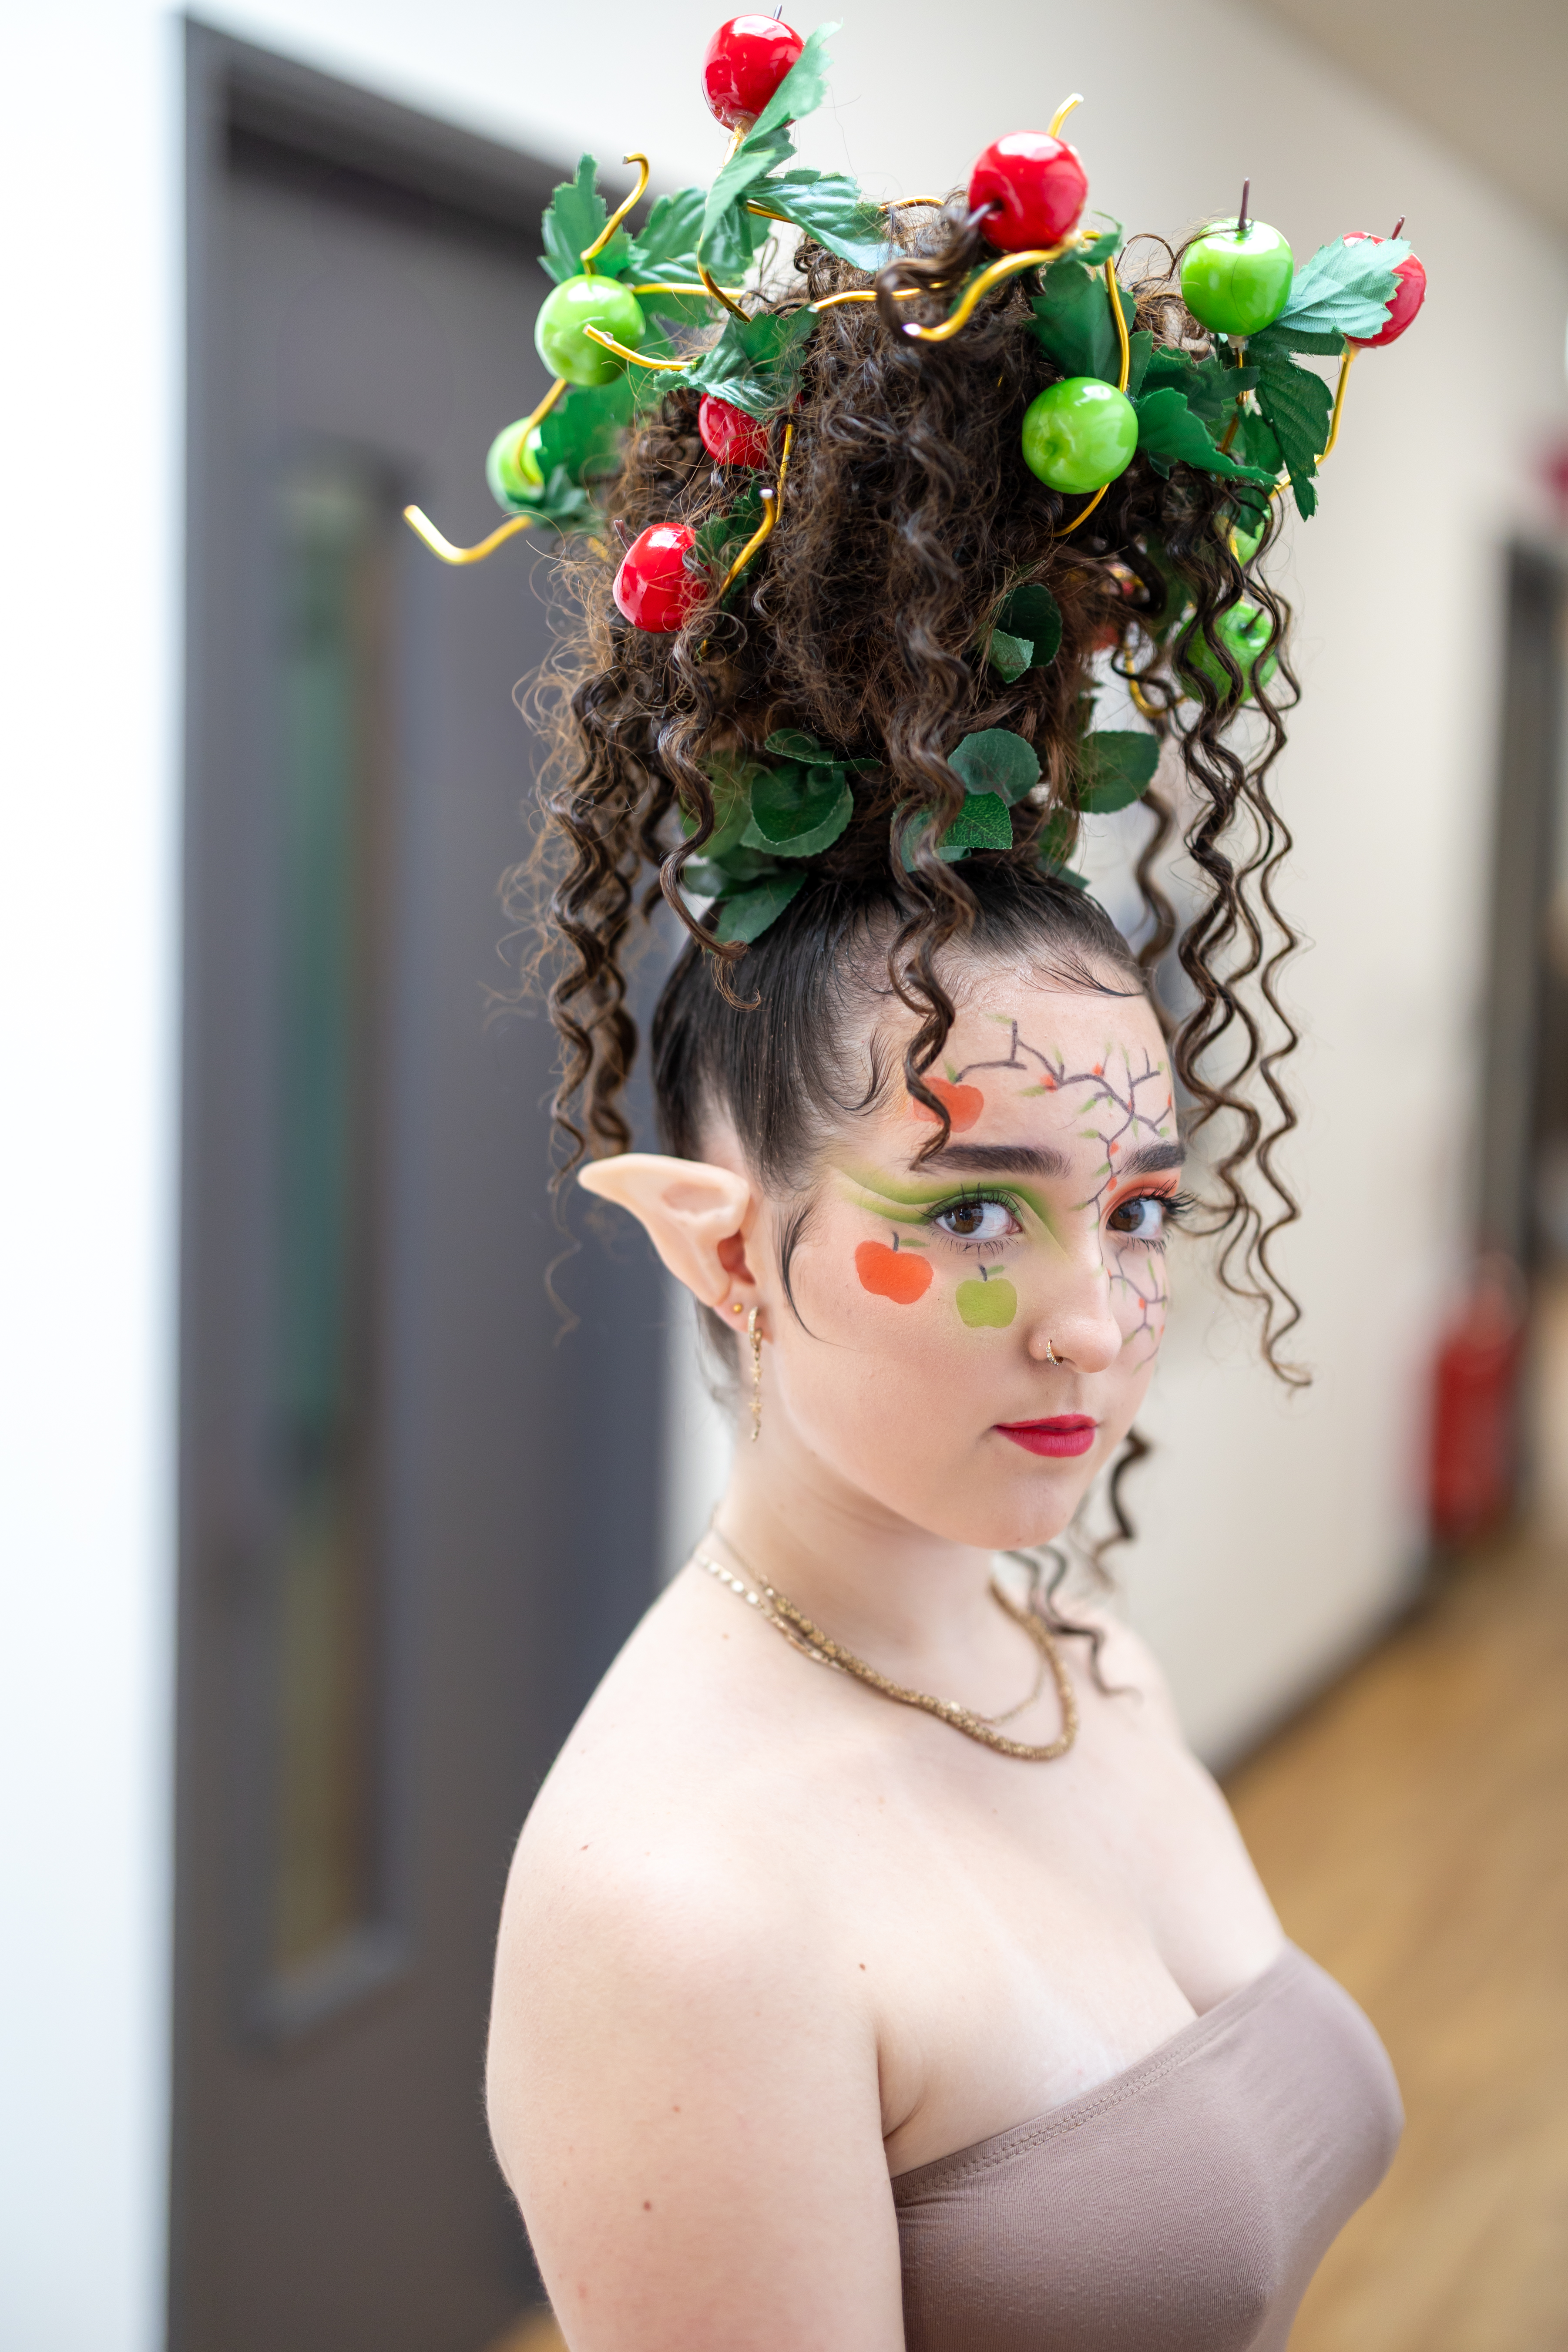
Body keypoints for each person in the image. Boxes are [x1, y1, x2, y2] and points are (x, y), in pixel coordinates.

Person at [457, 34, 1418, 2345]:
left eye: (1139, 1205)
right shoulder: (680, 1907)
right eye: (973, 1214)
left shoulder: (1072, 1657)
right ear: (720, 1244)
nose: (1094, 1321)